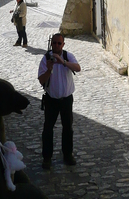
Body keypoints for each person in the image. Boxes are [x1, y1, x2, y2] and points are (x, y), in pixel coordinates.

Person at [37, 33, 81, 169]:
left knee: (68, 128)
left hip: (66, 99)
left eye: (59, 43)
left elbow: (78, 68)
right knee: (48, 129)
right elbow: (41, 80)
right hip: (51, 100)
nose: (56, 45)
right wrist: (49, 69)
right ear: (52, 44)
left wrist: (63, 62)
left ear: (63, 45)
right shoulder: (45, 59)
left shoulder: (68, 56)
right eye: (54, 43)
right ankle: (47, 157)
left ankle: (68, 155)